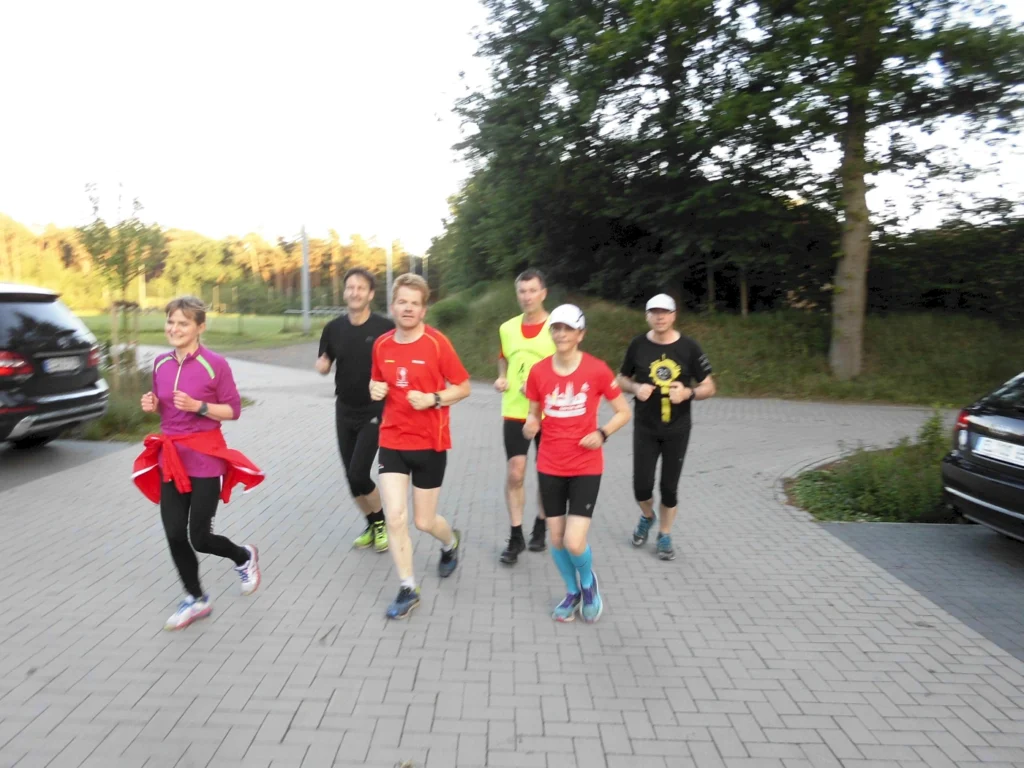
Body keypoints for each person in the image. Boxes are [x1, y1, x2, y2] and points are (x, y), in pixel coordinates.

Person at [134, 296, 265, 631]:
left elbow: (233, 410)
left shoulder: (215, 364)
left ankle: (243, 557)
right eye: (171, 322)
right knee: (174, 533)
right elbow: (165, 406)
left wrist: (199, 406)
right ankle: (196, 599)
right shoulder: (161, 363)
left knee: (200, 537)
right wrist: (153, 404)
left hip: (205, 457)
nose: (174, 329)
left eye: (183, 323)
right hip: (171, 458)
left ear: (199, 327)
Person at [369, 273, 472, 619]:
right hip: (392, 440)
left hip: (431, 442)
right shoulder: (381, 345)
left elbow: (464, 386)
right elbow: (376, 380)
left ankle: (450, 542)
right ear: (392, 306)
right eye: (402, 302)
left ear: (424, 310)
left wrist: (433, 399)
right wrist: (374, 388)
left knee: (424, 522)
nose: (408, 308)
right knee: (395, 516)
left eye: (415, 303)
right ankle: (407, 588)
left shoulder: (437, 344)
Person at [523, 304, 631, 623]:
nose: (561, 334)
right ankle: (571, 592)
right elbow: (533, 412)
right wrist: (531, 424)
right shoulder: (539, 371)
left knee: (573, 541)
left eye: (568, 329)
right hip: (550, 464)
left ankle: (588, 583)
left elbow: (624, 412)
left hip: (585, 465)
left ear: (581, 334)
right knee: (556, 539)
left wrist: (602, 433)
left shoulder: (597, 370)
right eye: (556, 328)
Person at [617, 293, 715, 561]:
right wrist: (635, 387)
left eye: (665, 312)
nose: (659, 317)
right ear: (647, 316)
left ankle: (665, 534)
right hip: (645, 427)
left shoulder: (689, 347)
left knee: (669, 488)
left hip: (677, 428)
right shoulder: (638, 345)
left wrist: (688, 393)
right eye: (654, 312)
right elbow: (621, 379)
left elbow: (709, 386)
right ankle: (647, 516)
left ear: (674, 315)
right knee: (641, 486)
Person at [316, 267, 395, 553]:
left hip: (374, 410)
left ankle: (381, 524)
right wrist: (323, 365)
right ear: (345, 292)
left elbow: (398, 362)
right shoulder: (333, 328)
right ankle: (372, 525)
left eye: (361, 288)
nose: (355, 292)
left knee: (359, 473)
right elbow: (325, 360)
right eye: (350, 287)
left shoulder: (385, 328)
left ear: (370, 294)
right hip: (344, 409)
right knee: (351, 478)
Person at [494, 268, 556, 564]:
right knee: (515, 472)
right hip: (515, 410)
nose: (527, 296)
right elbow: (503, 359)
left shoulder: (557, 326)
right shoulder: (507, 328)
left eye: (533, 291)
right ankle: (516, 536)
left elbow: (568, 366)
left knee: (547, 475)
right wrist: (501, 377)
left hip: (550, 412)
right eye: (522, 291)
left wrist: (540, 388)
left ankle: (541, 526)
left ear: (543, 293)